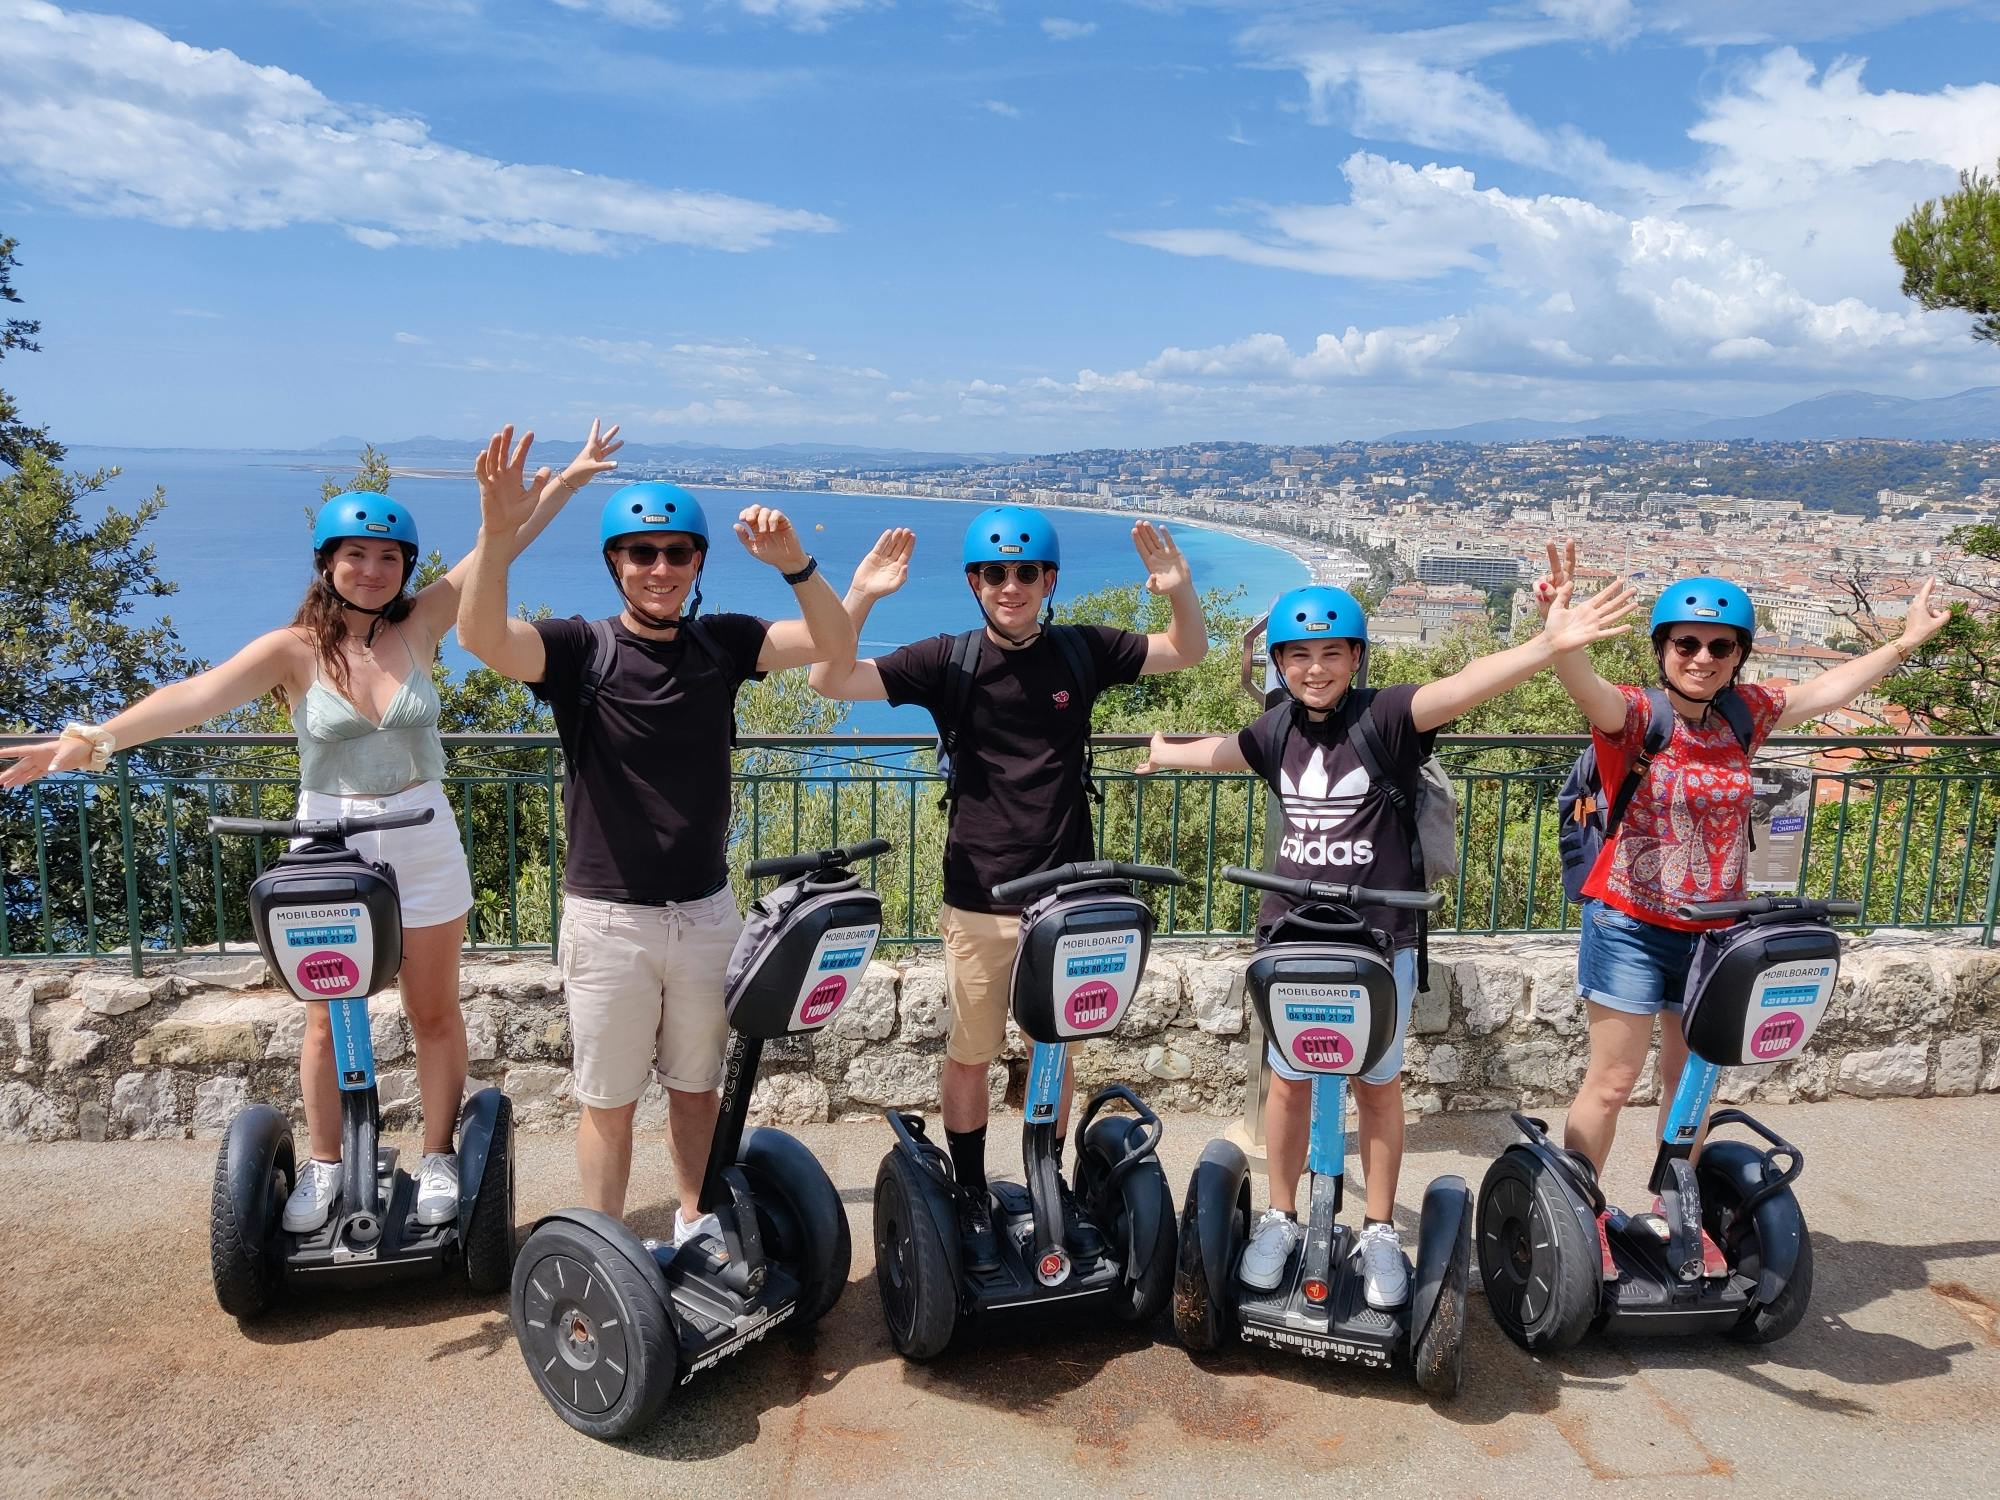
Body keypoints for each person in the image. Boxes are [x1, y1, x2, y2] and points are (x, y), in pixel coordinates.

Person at [0, 421, 621, 1230]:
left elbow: (502, 544)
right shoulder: (293, 650)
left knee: (434, 1010)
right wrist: (94, 740)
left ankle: (436, 1156)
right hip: (328, 846)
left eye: (389, 557)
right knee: (328, 1016)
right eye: (355, 556)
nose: (372, 570)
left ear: (404, 569)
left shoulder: (423, 624)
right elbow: (199, 695)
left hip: (423, 836)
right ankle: (325, 1165)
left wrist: (568, 480)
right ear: (328, 564)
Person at [1135, 572, 1637, 1306]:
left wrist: (1545, 646)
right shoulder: (1275, 729)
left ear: (1357, 658)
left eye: (1331, 653)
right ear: (1278, 664)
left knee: (1377, 1087)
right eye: (1297, 656)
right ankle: (1279, 1216)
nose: (1314, 670)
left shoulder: (1389, 719)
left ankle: (1375, 1229)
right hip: (1295, 938)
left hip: (1380, 939)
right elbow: (1229, 752)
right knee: (1289, 1080)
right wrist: (1165, 751)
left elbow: (1464, 686)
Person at [456, 448, 853, 1245]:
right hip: (608, 917)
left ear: (698, 560)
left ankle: (695, 1220)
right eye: (642, 553)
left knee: (696, 1085)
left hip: (706, 912)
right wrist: (497, 538)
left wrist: (797, 566)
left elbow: (830, 644)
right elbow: (481, 638)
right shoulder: (581, 651)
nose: (659, 567)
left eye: (677, 553)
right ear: (616, 564)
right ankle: (604, 1249)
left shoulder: (724, 644)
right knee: (608, 1100)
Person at [807, 508, 1207, 1268]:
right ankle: (965, 1189)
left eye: (1027, 573)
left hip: (1066, 901)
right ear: (974, 583)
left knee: (1054, 1054)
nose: (1011, 586)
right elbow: (830, 678)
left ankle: (1044, 1180)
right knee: (971, 1053)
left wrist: (1179, 587)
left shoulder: (1083, 651)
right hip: (980, 897)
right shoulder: (946, 661)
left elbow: (1187, 648)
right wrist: (861, 593)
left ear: (1049, 580)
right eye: (996, 573)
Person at [1538, 545, 1954, 1226]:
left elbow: (1829, 690)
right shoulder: (1639, 719)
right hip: (1631, 925)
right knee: (1611, 1083)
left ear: (1739, 655)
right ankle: (1577, 1214)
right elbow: (1586, 687)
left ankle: (1672, 1215)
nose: (1702, 657)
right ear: (1663, 649)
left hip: (1713, 932)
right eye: (1687, 643)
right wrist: (1562, 640)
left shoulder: (1744, 716)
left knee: (1690, 1085)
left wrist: (1905, 642)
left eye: (1720, 647)